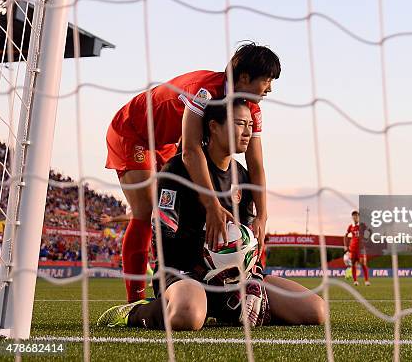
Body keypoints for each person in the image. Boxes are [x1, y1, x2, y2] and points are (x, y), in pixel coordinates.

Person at [97, 100, 325, 330]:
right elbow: (164, 243)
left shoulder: (243, 177)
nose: (247, 132)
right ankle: (135, 311)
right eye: (239, 124)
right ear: (214, 126)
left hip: (234, 279)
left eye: (250, 125)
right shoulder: (177, 170)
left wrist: (253, 278)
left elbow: (246, 240)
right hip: (185, 276)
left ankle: (227, 310)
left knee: (315, 310)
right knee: (187, 316)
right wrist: (208, 264)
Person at [105, 42, 280, 302]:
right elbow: (190, 151)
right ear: (244, 77)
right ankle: (135, 301)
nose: (270, 89)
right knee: (146, 213)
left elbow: (255, 164)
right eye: (267, 81)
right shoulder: (205, 92)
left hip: (167, 142)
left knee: (184, 205)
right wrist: (211, 204)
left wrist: (262, 216)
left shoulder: (250, 108)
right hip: (134, 132)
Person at [344, 211, 370, 286]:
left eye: (356, 216)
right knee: (353, 264)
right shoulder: (350, 226)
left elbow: (369, 231)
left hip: (361, 248)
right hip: (352, 248)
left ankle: (366, 280)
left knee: (363, 264)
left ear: (358, 217)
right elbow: (345, 235)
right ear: (352, 217)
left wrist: (366, 239)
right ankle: (355, 281)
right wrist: (345, 246)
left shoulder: (362, 225)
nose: (355, 217)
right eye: (354, 216)